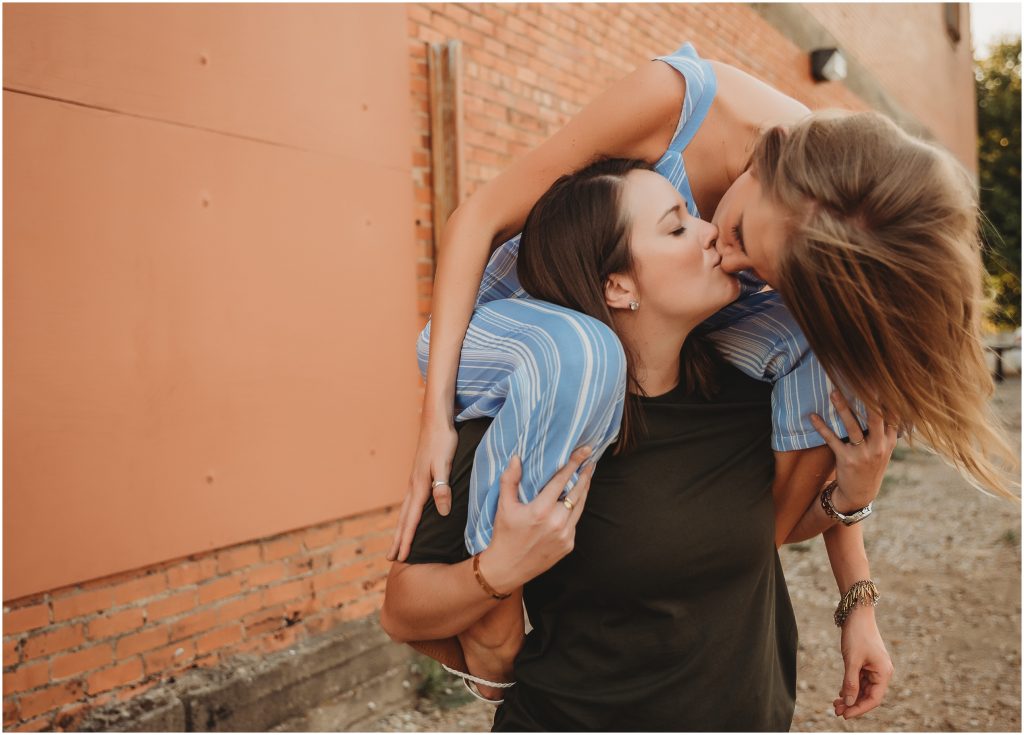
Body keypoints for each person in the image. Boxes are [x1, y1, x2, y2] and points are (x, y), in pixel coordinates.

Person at [388, 43, 1014, 566]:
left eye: (764, 273)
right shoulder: (673, 102)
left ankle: (731, 560)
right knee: (583, 351)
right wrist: (434, 418)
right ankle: (493, 600)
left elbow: (851, 369)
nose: (731, 258)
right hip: (527, 322)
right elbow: (478, 217)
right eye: (737, 232)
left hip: (652, 337)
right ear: (771, 150)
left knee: (845, 358)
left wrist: (857, 592)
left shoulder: (826, 221)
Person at [381, 159, 895, 730]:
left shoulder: (748, 403)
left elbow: (763, 536)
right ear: (618, 286)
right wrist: (494, 573)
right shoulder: (526, 426)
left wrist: (850, 509)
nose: (709, 232)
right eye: (676, 227)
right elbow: (402, 611)